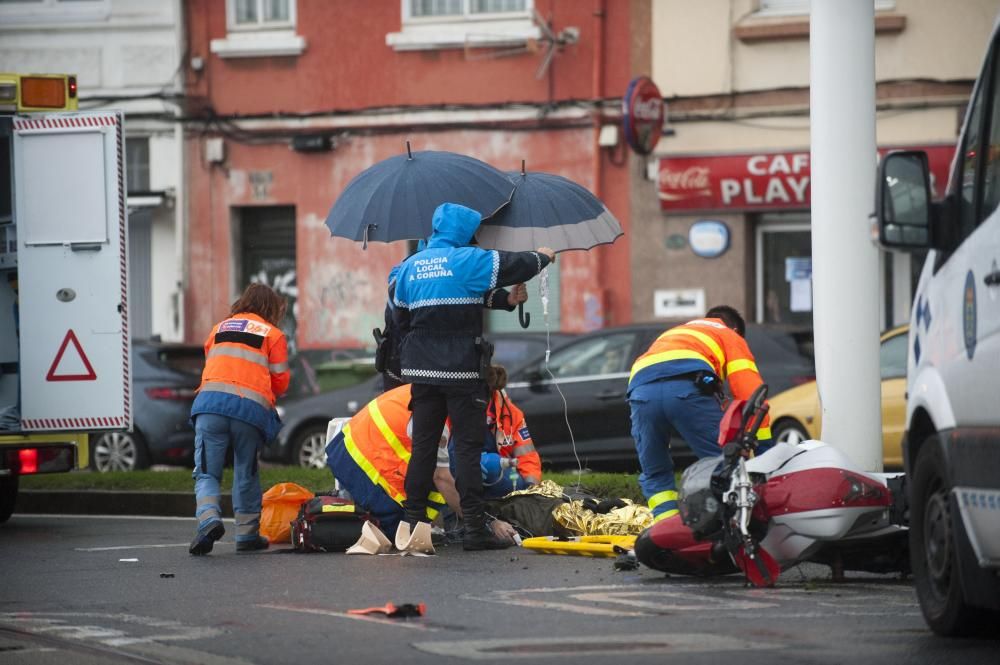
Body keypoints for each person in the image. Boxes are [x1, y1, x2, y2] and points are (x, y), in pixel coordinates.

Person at [392, 202, 554, 550]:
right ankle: (475, 529)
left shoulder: (407, 268)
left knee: (423, 447)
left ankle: (411, 523)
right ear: (464, 232)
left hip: (420, 370)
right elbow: (514, 264)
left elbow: (408, 316)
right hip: (461, 370)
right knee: (465, 448)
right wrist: (542, 257)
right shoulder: (466, 260)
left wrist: (507, 300)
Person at [626, 305, 772, 524]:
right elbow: (750, 393)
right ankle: (730, 527)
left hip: (641, 392)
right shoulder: (729, 335)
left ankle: (668, 532)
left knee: (655, 471)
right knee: (725, 464)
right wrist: (763, 448)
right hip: (687, 390)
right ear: (734, 328)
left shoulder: (677, 332)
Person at [325, 383, 517, 543]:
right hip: (362, 465)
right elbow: (441, 477)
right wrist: (485, 523)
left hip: (349, 449)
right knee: (402, 536)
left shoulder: (437, 391)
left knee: (442, 474)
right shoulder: (440, 414)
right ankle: (352, 516)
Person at [188, 283, 290, 555]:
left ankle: (209, 519)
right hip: (250, 412)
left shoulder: (219, 329)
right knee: (246, 472)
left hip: (210, 407)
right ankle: (246, 535)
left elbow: (212, 362)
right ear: (271, 308)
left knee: (208, 471)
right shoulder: (273, 334)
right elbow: (281, 382)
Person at [379, 256, 527, 393]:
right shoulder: (416, 267)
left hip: (441, 366)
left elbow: (472, 287)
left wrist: (507, 298)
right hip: (408, 367)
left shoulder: (452, 261)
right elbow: (400, 319)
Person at [479, 364, 542, 498]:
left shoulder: (512, 414)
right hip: (456, 480)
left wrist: (530, 489)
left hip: (499, 479)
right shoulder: (453, 409)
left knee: (515, 480)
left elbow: (527, 456)